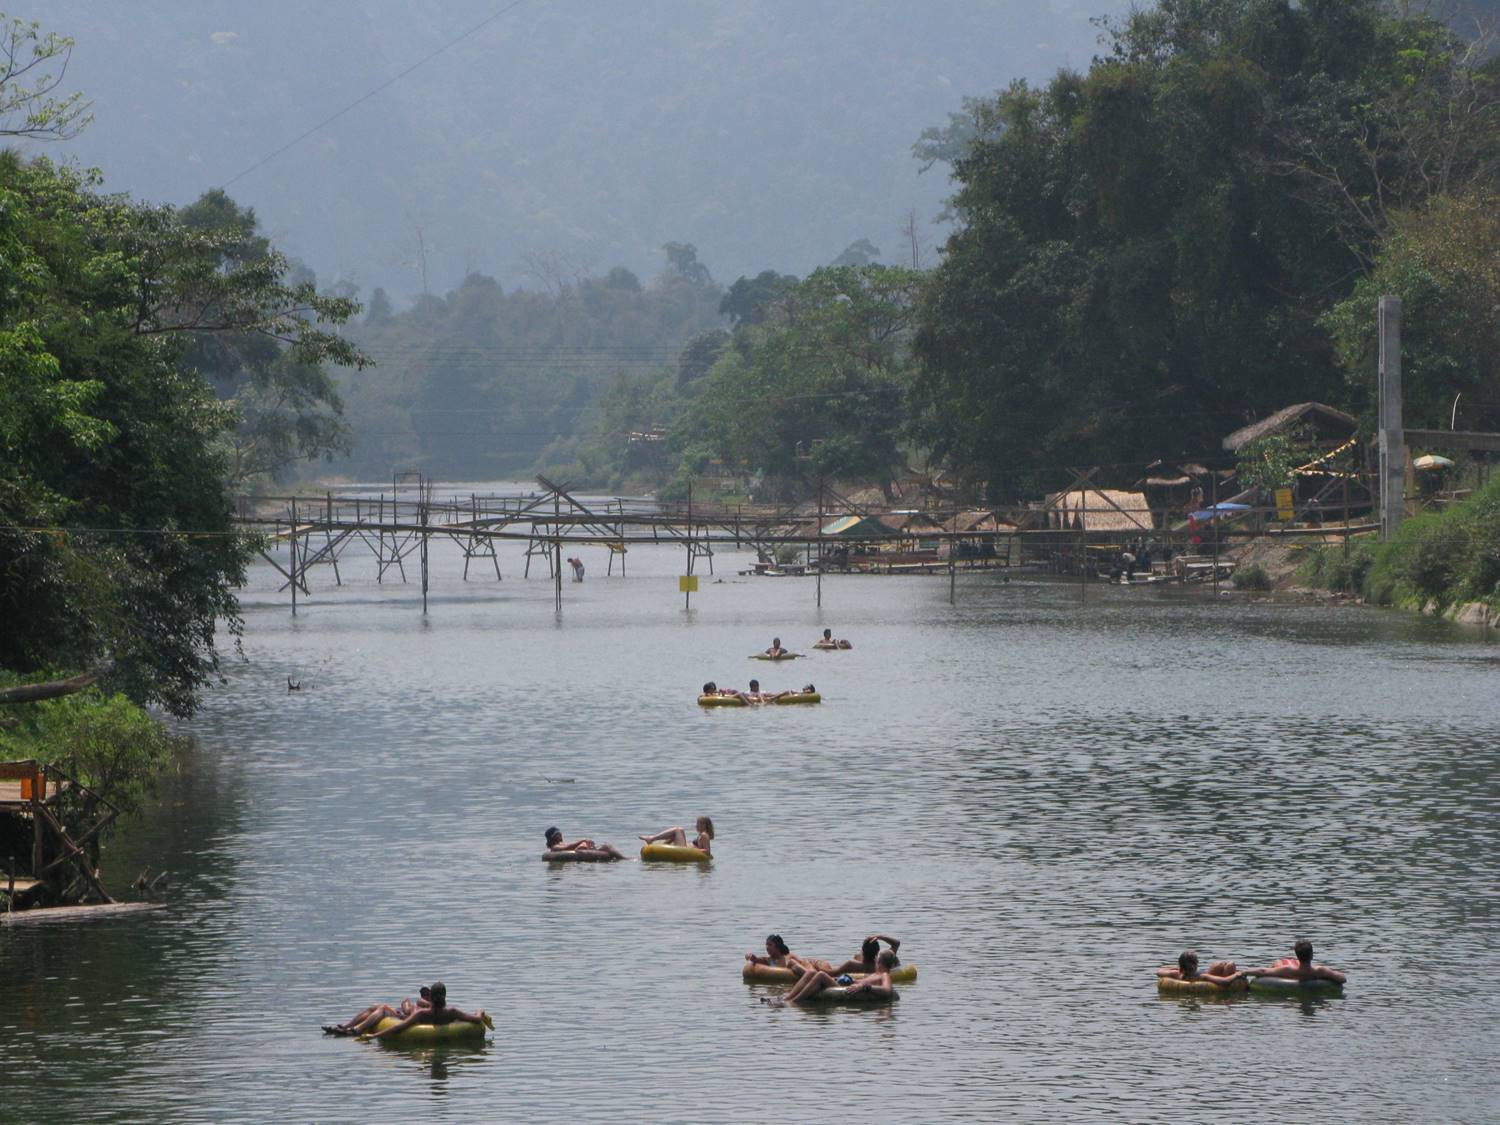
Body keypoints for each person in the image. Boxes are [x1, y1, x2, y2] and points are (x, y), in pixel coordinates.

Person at [360, 981, 489, 1040]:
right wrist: (480, 1010)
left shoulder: (422, 1013)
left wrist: (374, 1036)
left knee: (406, 1006)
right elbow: (477, 1019)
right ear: (445, 996)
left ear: (430, 998)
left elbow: (398, 1028)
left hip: (419, 1038)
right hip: (446, 1039)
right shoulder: (452, 1012)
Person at [781, 948, 898, 1005]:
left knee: (821, 975)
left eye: (877, 959)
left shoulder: (884, 975)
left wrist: (865, 987)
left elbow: (887, 990)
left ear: (880, 962)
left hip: (850, 992)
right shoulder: (875, 974)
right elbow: (860, 981)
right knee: (811, 973)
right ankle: (787, 998)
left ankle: (794, 1002)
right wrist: (850, 980)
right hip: (845, 986)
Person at [324, 986, 430, 1036]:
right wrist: (406, 1005)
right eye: (423, 993)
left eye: (426, 994)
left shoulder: (422, 1004)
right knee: (374, 1007)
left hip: (403, 1018)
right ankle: (345, 1026)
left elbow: (408, 1014)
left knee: (383, 1008)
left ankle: (356, 1030)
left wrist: (405, 1005)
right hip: (402, 1015)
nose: (423, 996)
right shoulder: (422, 1004)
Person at [1246, 939, 1346, 984]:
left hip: (1293, 973)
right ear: (1312, 955)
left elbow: (1263, 971)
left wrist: (1244, 972)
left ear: (1297, 955)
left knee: (1278, 963)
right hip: (1309, 972)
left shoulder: (1288, 970)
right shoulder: (1320, 971)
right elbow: (1342, 979)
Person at [745, 934, 832, 976]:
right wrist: (749, 955)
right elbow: (755, 959)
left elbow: (803, 963)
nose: (767, 947)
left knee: (792, 963)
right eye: (766, 945)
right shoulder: (767, 960)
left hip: (804, 974)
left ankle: (818, 977)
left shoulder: (789, 957)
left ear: (777, 947)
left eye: (770, 945)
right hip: (782, 982)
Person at [1155, 950, 1243, 986]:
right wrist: (1237, 975)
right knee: (1230, 964)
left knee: (1221, 964)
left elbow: (1159, 971)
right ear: (1196, 964)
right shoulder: (1202, 977)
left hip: (1193, 973)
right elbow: (1225, 982)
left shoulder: (1177, 974)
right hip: (1213, 981)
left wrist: (1176, 968)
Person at [639, 815, 714, 857]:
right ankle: (636, 857)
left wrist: (692, 850)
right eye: (697, 823)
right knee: (674, 836)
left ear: (704, 825)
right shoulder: (701, 835)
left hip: (684, 851)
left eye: (699, 823)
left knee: (679, 830)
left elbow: (707, 852)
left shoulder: (704, 835)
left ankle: (652, 838)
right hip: (685, 850)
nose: (696, 825)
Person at [828, 934, 901, 976]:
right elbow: (896, 943)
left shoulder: (851, 964)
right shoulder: (883, 963)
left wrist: (816, 964)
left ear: (863, 950)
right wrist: (879, 937)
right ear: (877, 952)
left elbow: (832, 973)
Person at [544, 826, 624, 860]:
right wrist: (582, 841)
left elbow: (569, 847)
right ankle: (624, 859)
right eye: (557, 834)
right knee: (582, 847)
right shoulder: (554, 847)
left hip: (584, 852)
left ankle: (623, 858)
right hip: (580, 853)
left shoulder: (561, 844)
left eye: (560, 833)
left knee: (606, 846)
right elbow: (567, 848)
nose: (560, 835)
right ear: (553, 838)